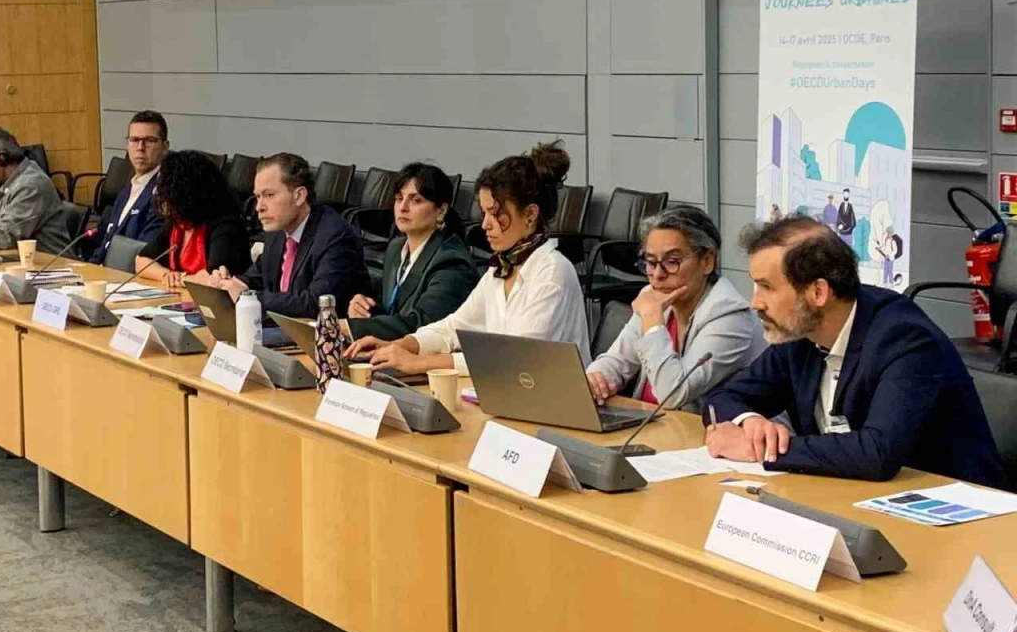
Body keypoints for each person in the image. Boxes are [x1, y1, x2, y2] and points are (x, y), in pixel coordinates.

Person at [705, 217, 1005, 485]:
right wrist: (751, 422)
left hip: (957, 505)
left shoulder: (904, 338)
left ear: (818, 292)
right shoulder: (800, 334)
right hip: (853, 495)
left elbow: (877, 453)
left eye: (767, 287)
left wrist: (765, 450)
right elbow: (722, 398)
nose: (755, 302)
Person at [349, 143, 590, 376]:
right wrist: (399, 345)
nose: (485, 224)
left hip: (554, 400)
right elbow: (453, 327)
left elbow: (511, 358)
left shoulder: (552, 272)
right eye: (484, 213)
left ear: (529, 214)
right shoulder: (500, 269)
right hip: (510, 393)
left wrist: (419, 362)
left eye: (495, 214)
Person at [585, 205, 765, 413]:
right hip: (649, 423)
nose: (657, 274)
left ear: (707, 261)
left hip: (705, 429)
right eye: (650, 262)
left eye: (671, 262)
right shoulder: (653, 297)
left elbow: (672, 394)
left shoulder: (730, 315)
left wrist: (652, 323)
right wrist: (595, 379)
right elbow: (617, 361)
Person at [200, 152, 367, 318]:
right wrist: (228, 283)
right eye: (258, 196)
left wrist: (248, 297)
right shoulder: (277, 231)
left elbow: (315, 303)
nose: (259, 207)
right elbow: (257, 276)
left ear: (299, 196)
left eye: (269, 195)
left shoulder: (335, 236)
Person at [342, 163, 477, 342]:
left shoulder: (452, 262)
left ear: (441, 210)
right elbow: (395, 313)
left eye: (416, 200)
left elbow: (421, 324)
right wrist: (365, 310)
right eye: (399, 198)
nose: (403, 207)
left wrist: (351, 328)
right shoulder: (396, 248)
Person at [134, 150, 250, 287]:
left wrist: (181, 279)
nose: (162, 197)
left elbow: (214, 279)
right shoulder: (179, 222)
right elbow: (141, 261)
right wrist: (166, 274)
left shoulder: (226, 224)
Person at [85, 111, 169, 265]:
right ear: (127, 145)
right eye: (134, 140)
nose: (140, 147)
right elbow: (105, 241)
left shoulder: (164, 193)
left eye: (149, 140)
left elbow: (143, 252)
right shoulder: (127, 189)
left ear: (164, 147)